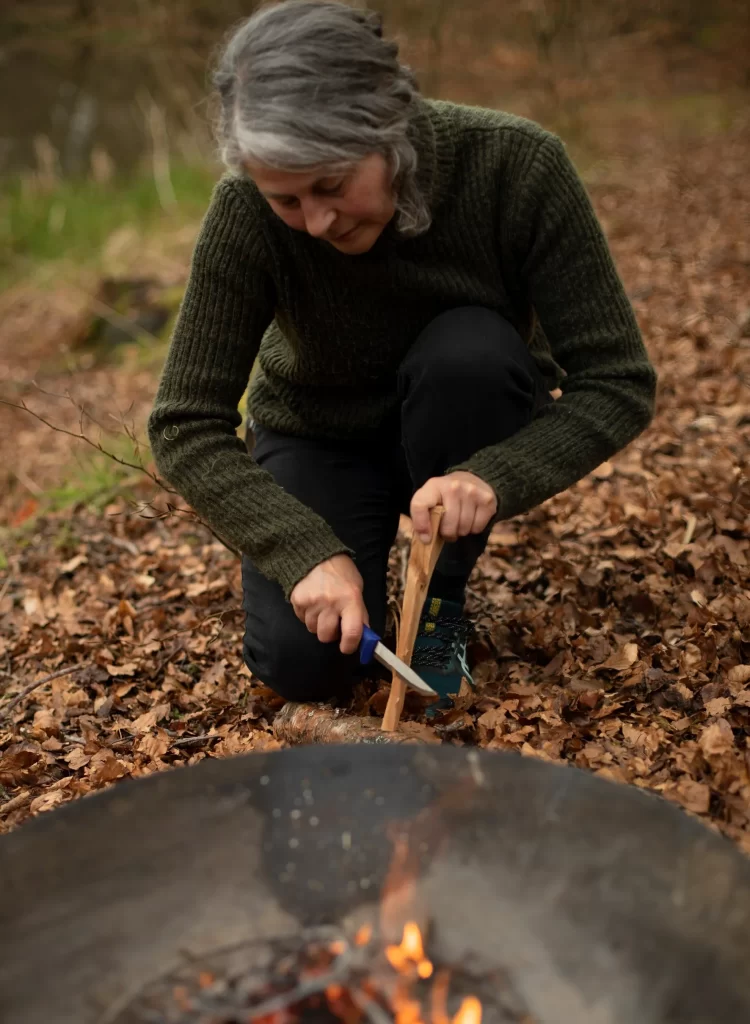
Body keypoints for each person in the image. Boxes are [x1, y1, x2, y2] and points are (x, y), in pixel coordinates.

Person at [147, 0, 656, 710]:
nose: (316, 223)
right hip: (319, 435)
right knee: (305, 667)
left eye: (332, 186)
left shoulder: (517, 166)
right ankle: (356, 573)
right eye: (287, 200)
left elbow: (618, 381)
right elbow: (183, 423)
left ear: (393, 131)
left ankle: (443, 600)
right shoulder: (244, 213)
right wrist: (302, 553)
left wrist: (490, 477)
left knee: (469, 352)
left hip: (462, 417)